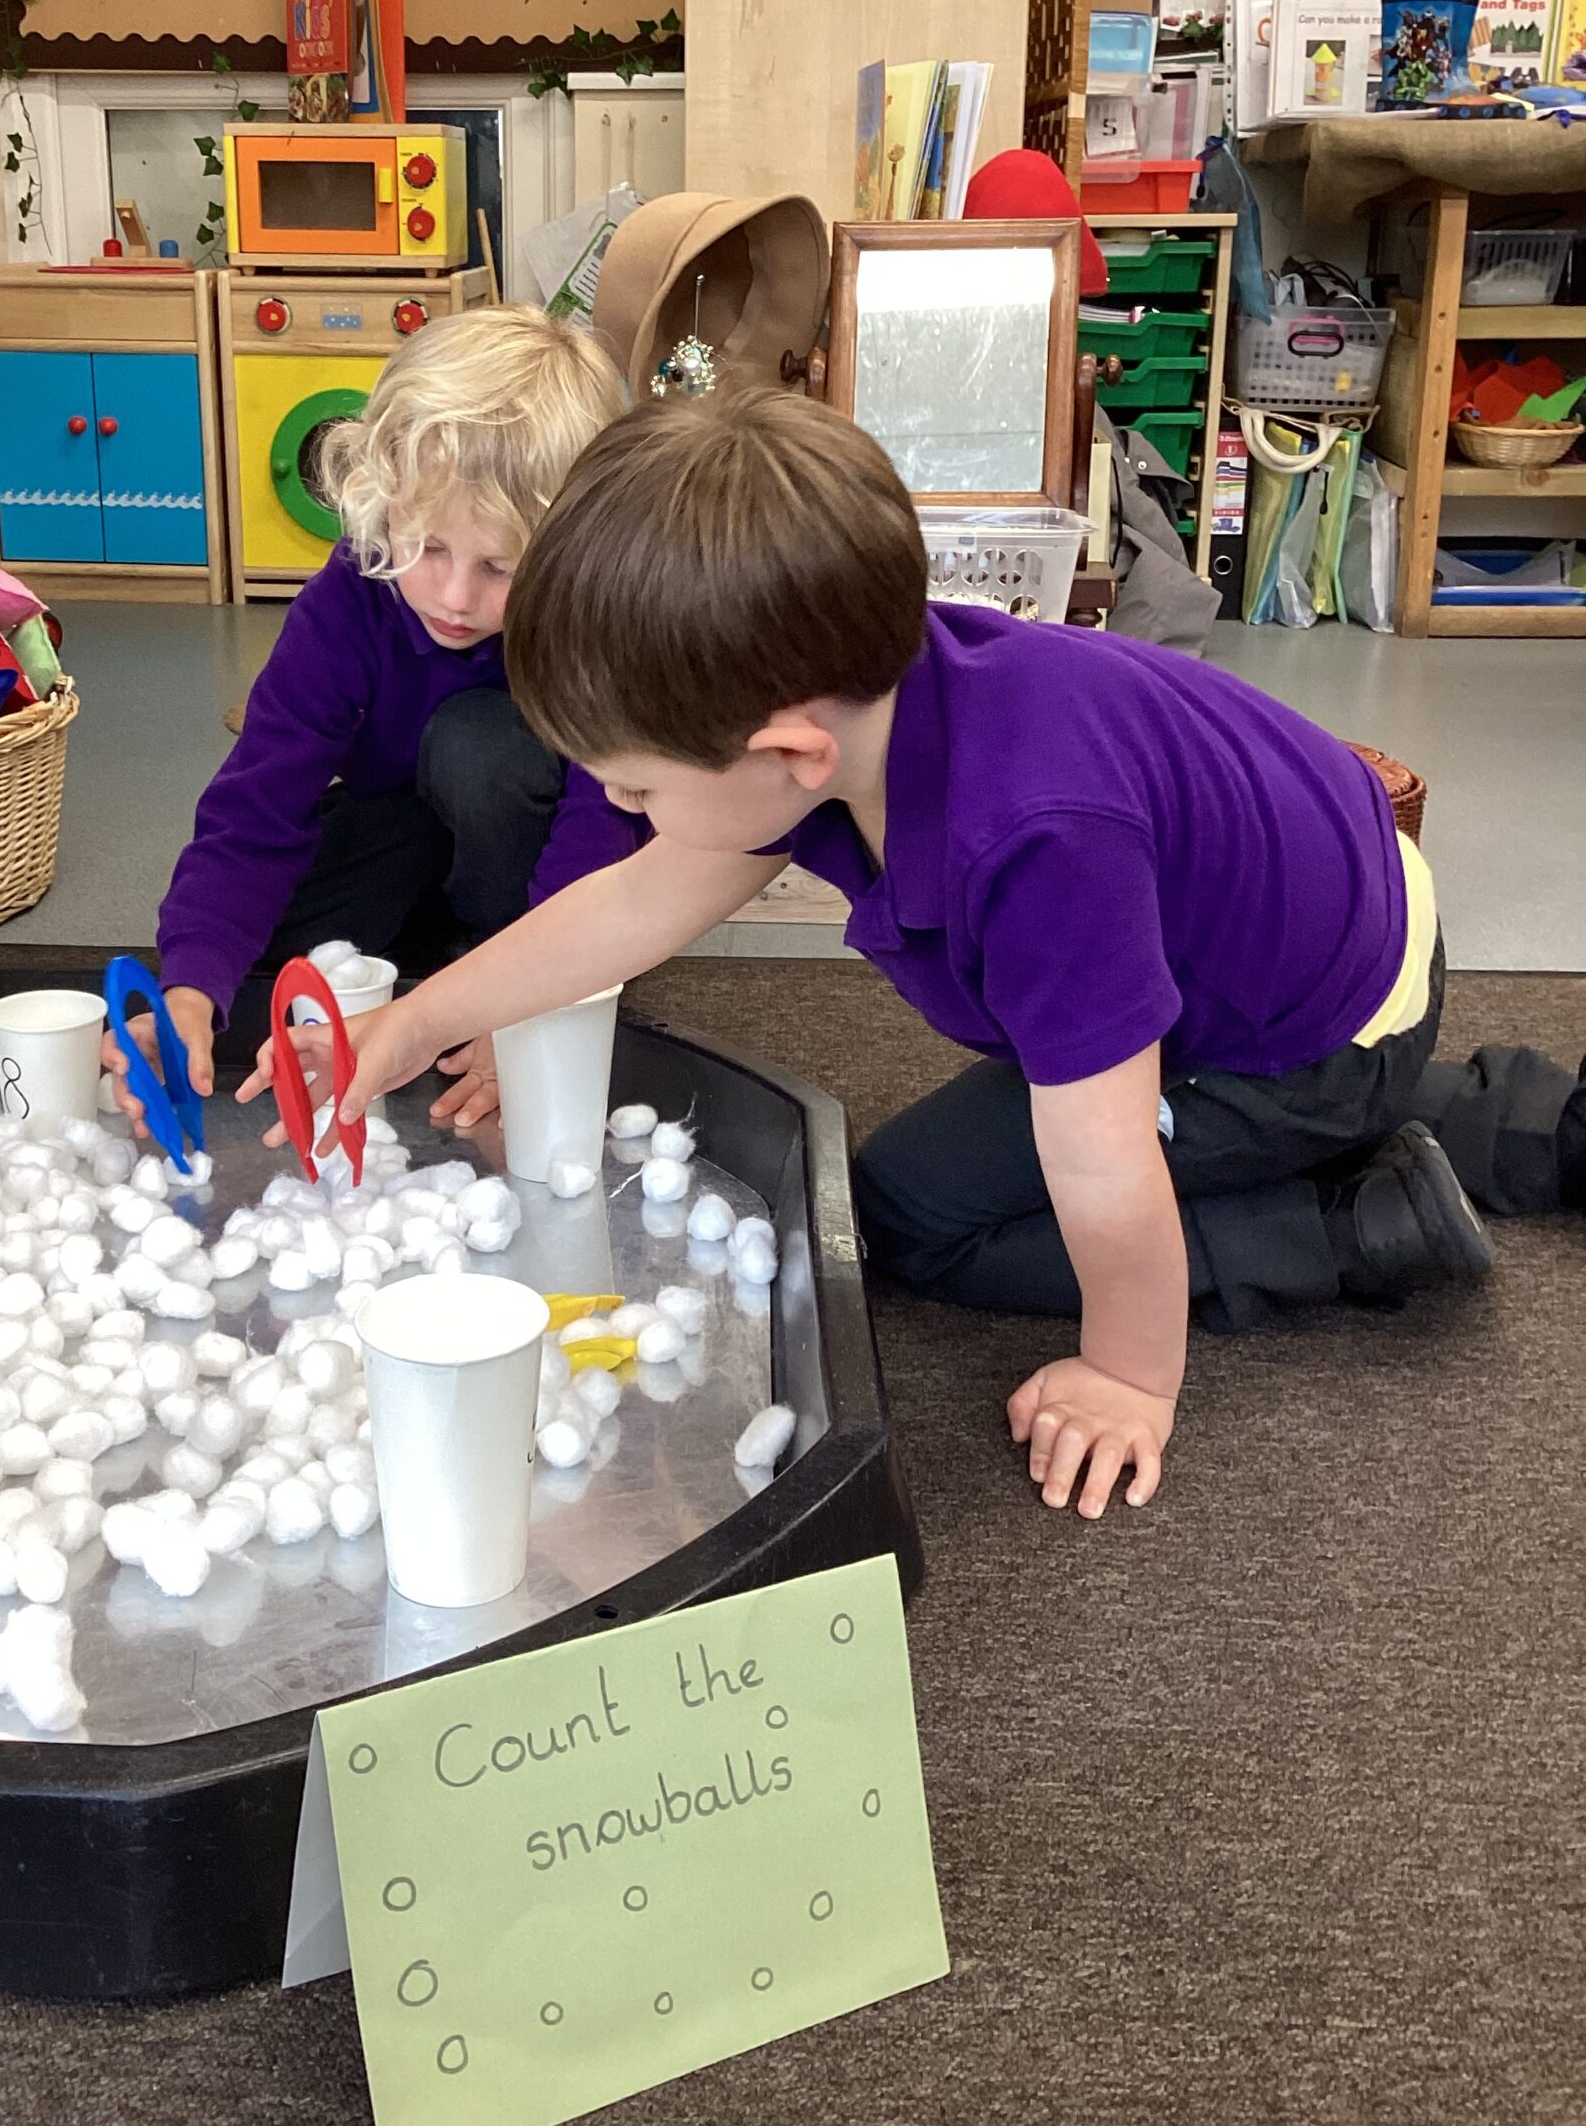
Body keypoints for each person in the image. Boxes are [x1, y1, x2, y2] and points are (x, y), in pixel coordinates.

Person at [246, 385, 1586, 1520]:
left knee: (925, 1232)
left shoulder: (1039, 844)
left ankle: (1354, 1219)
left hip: (1309, 1027)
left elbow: (1103, 1163)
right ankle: (1477, 1114)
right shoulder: (854, 701)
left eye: (637, 788)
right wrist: (412, 1022)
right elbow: (636, 903)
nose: (622, 812)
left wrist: (1129, 1376)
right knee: (900, 1196)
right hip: (1293, 926)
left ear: (787, 755)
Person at [123, 305, 640, 1127]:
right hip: (406, 829)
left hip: (530, 848)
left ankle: (488, 954)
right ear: (381, 503)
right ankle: (440, 957)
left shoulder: (592, 624)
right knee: (253, 952)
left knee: (478, 749)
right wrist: (188, 992)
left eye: (502, 568)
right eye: (428, 547)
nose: (455, 597)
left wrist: (528, 1005)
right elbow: (257, 808)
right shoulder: (348, 599)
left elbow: (599, 833)